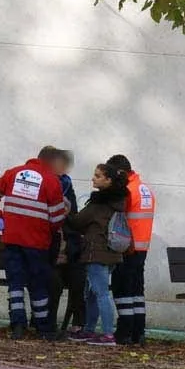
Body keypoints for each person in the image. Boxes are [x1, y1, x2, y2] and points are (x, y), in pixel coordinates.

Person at [0, 147, 67, 340]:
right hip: (37, 242)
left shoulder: (13, 173)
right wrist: (48, 229)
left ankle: (18, 325)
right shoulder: (51, 181)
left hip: (12, 239)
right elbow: (57, 217)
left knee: (16, 282)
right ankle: (44, 328)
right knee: (38, 283)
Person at [66, 163, 129, 346]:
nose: (93, 178)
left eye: (98, 175)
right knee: (92, 293)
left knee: (100, 293)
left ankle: (108, 333)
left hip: (96, 252)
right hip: (112, 253)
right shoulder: (118, 203)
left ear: (108, 180)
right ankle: (89, 329)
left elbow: (78, 222)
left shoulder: (99, 203)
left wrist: (67, 211)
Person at [106, 154, 155, 346]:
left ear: (120, 172)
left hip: (127, 247)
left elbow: (118, 215)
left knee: (122, 288)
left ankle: (124, 331)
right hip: (142, 248)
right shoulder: (145, 190)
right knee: (136, 290)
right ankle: (138, 331)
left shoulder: (127, 190)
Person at [45, 148, 86, 336]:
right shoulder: (43, 183)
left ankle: (78, 324)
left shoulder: (67, 185)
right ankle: (47, 322)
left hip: (68, 247)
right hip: (49, 248)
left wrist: (67, 217)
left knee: (78, 279)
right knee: (54, 282)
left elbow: (75, 218)